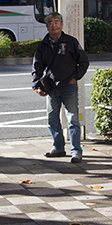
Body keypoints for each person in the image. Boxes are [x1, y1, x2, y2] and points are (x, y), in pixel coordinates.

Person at [32, 12, 89, 163]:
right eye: (50, 22)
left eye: (56, 22)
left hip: (68, 86)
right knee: (52, 119)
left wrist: (74, 77)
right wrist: (36, 85)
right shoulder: (43, 45)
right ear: (47, 27)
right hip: (51, 88)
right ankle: (58, 147)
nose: (54, 24)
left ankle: (76, 151)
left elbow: (83, 62)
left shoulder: (71, 42)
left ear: (62, 25)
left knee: (73, 119)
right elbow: (37, 67)